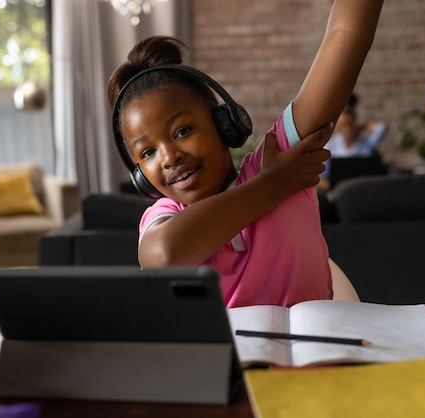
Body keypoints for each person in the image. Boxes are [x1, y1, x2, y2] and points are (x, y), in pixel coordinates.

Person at [107, 0, 384, 308]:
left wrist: (274, 175)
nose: (169, 157)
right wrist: (275, 183)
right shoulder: (164, 216)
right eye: (147, 152)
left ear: (224, 123)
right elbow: (164, 255)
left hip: (318, 353)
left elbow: (345, 35)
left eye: (183, 131)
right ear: (138, 173)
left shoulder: (281, 155)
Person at [318, 93, 388, 190]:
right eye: (344, 125)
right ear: (338, 126)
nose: (347, 130)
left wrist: (363, 127)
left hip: (365, 190)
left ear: (355, 124)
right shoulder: (330, 147)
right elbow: (321, 177)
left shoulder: (366, 145)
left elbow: (382, 128)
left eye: (350, 124)